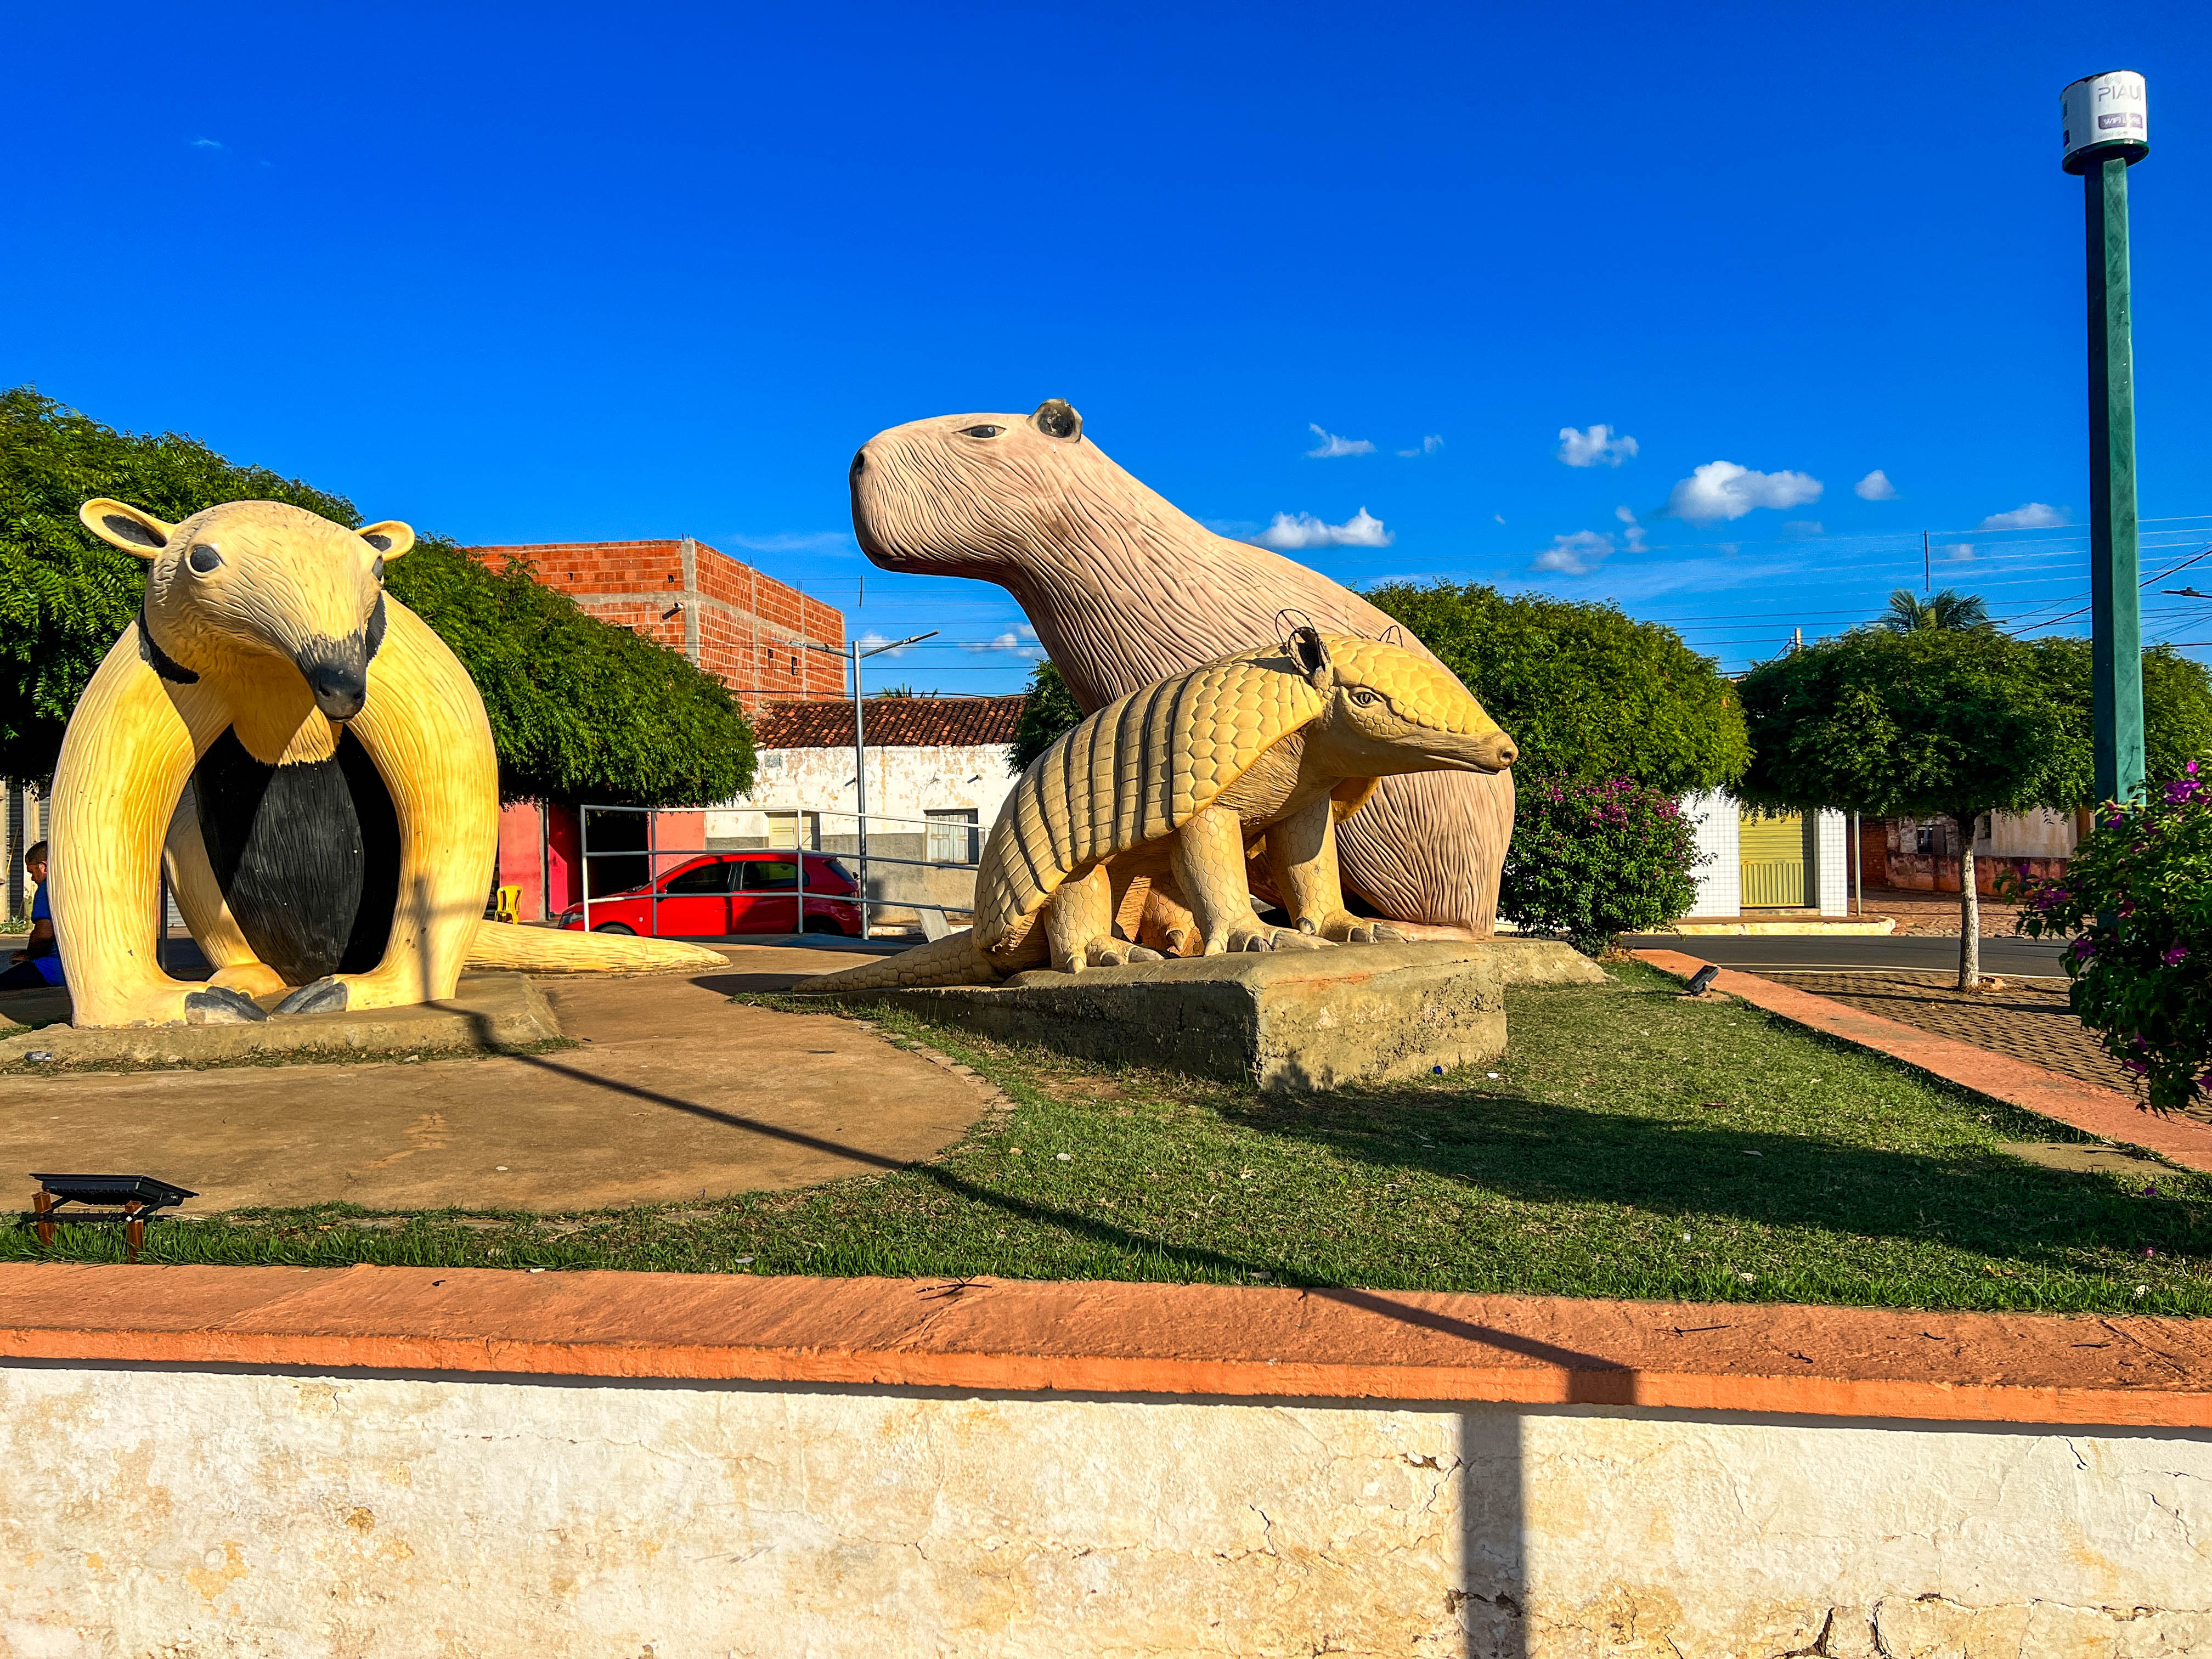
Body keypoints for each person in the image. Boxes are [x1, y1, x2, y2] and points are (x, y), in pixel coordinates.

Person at [1, 840, 64, 992]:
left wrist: (30, 956)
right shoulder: (73, 886)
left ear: (44, 867)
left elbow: (44, 935)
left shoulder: (47, 889)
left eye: (32, 872)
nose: (33, 878)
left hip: (53, 969)